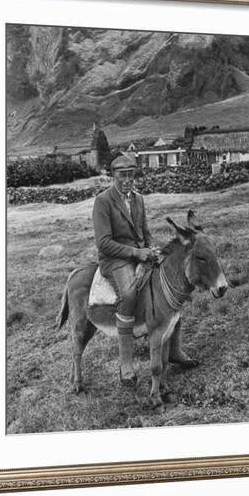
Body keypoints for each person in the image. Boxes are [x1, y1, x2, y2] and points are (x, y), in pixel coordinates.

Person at [92, 153, 197, 387]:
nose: (127, 180)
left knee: (171, 285)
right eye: (122, 176)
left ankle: (175, 351)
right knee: (128, 294)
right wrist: (136, 253)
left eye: (131, 175)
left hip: (141, 253)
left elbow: (145, 231)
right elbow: (104, 243)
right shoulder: (103, 201)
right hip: (115, 259)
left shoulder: (138, 199)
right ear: (113, 176)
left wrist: (150, 247)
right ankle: (126, 363)